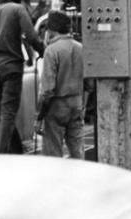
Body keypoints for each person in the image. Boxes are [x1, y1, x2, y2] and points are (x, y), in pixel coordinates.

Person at [0, 0, 44, 153]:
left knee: (4, 115)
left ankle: (17, 152)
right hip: (11, 68)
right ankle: (1, 155)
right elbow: (31, 36)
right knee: (7, 114)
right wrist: (43, 50)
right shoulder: (17, 9)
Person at [36, 11, 84, 158]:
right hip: (76, 103)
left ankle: (54, 180)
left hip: (57, 106)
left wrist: (39, 117)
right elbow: (88, 82)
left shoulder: (51, 50)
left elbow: (47, 90)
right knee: (77, 151)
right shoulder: (79, 47)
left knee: (53, 153)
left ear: (50, 30)